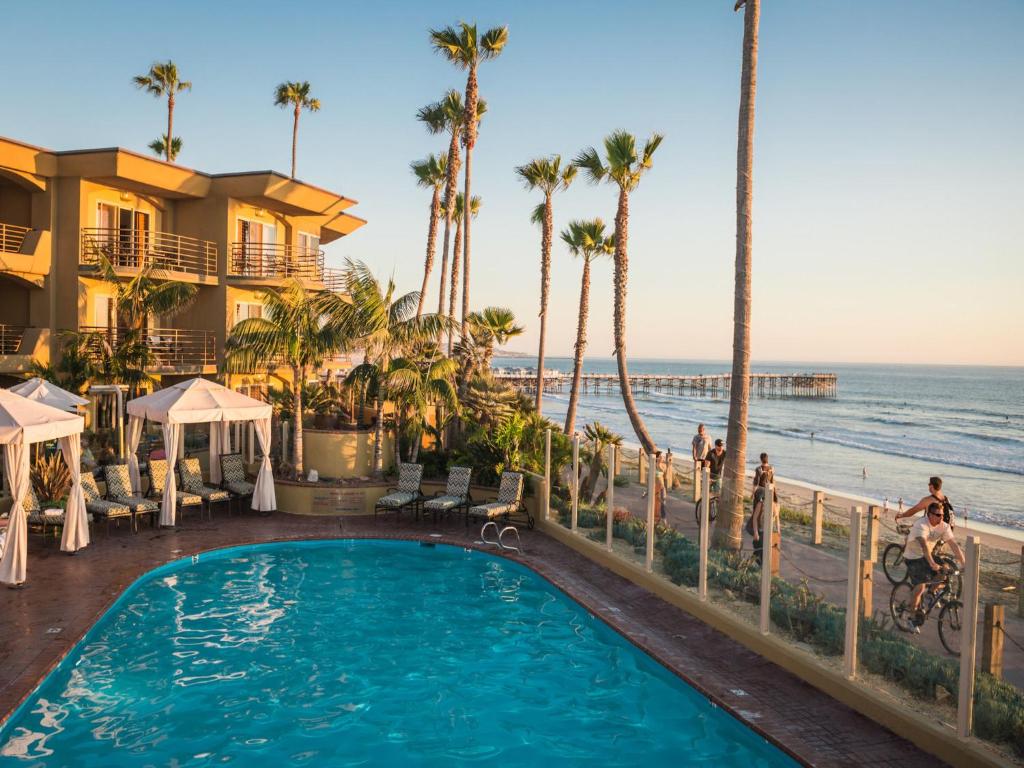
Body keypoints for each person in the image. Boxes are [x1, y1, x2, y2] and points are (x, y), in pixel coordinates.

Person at [902, 502, 965, 629]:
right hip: (913, 557)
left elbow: (953, 545)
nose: (941, 517)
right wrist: (932, 563)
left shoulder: (943, 526)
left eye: (942, 515)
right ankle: (911, 618)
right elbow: (924, 547)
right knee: (920, 588)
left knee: (945, 571)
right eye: (937, 515)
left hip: (927, 556)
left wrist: (965, 563)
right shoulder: (921, 525)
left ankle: (931, 593)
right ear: (929, 515)